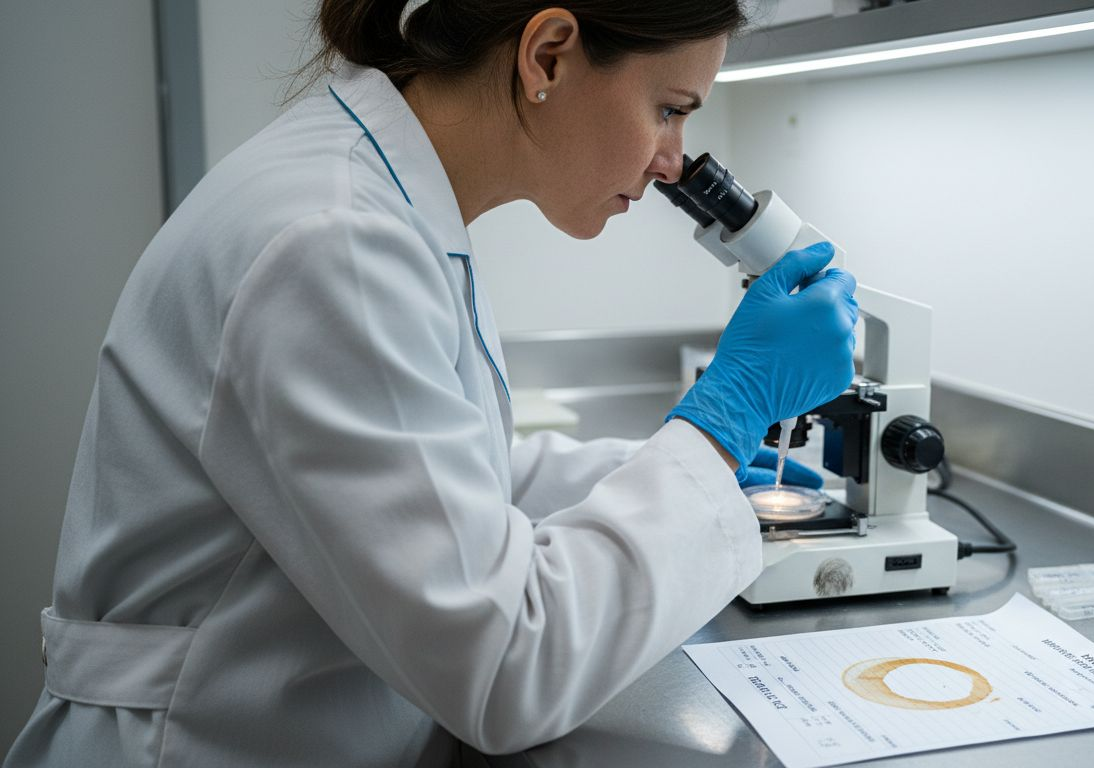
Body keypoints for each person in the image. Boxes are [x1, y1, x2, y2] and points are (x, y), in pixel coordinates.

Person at [4, 2, 858, 766]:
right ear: (549, 55)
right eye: (668, 109)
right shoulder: (334, 240)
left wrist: (691, 460)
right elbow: (505, 671)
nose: (672, 161)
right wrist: (721, 420)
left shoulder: (388, 202)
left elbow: (447, 488)